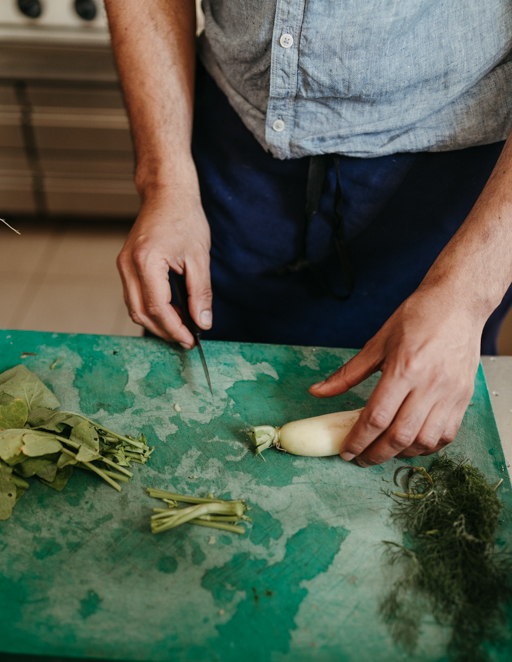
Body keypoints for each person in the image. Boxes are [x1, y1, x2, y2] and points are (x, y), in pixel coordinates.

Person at [104, 0, 512, 467]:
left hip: (453, 180)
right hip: (229, 149)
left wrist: (466, 296)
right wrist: (164, 179)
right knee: (180, 410)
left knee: (413, 418)